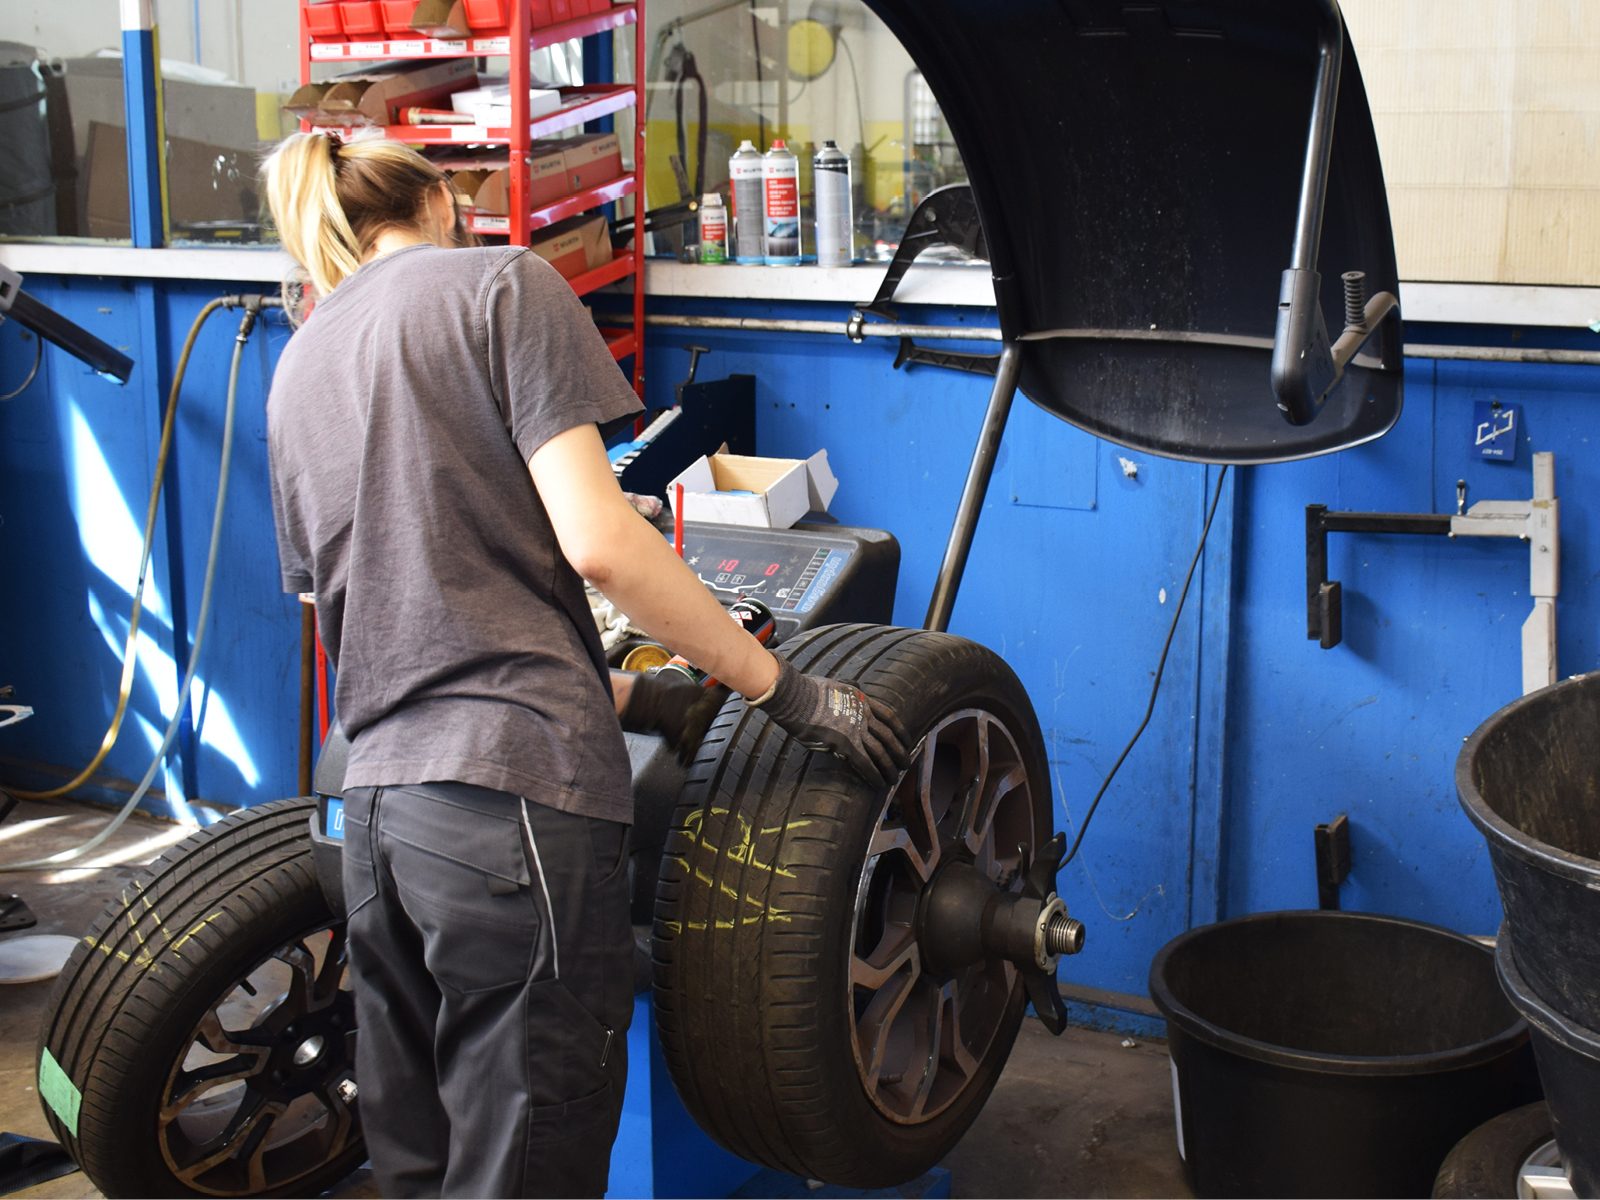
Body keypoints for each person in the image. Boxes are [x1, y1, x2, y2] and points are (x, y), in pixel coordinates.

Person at [258, 133, 908, 1199]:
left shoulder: (304, 363)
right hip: (511, 813)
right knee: (532, 1157)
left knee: (421, 1159)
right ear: (440, 203)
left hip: (377, 818)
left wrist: (640, 693)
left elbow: (404, 622)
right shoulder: (499, 286)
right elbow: (600, 541)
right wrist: (779, 687)